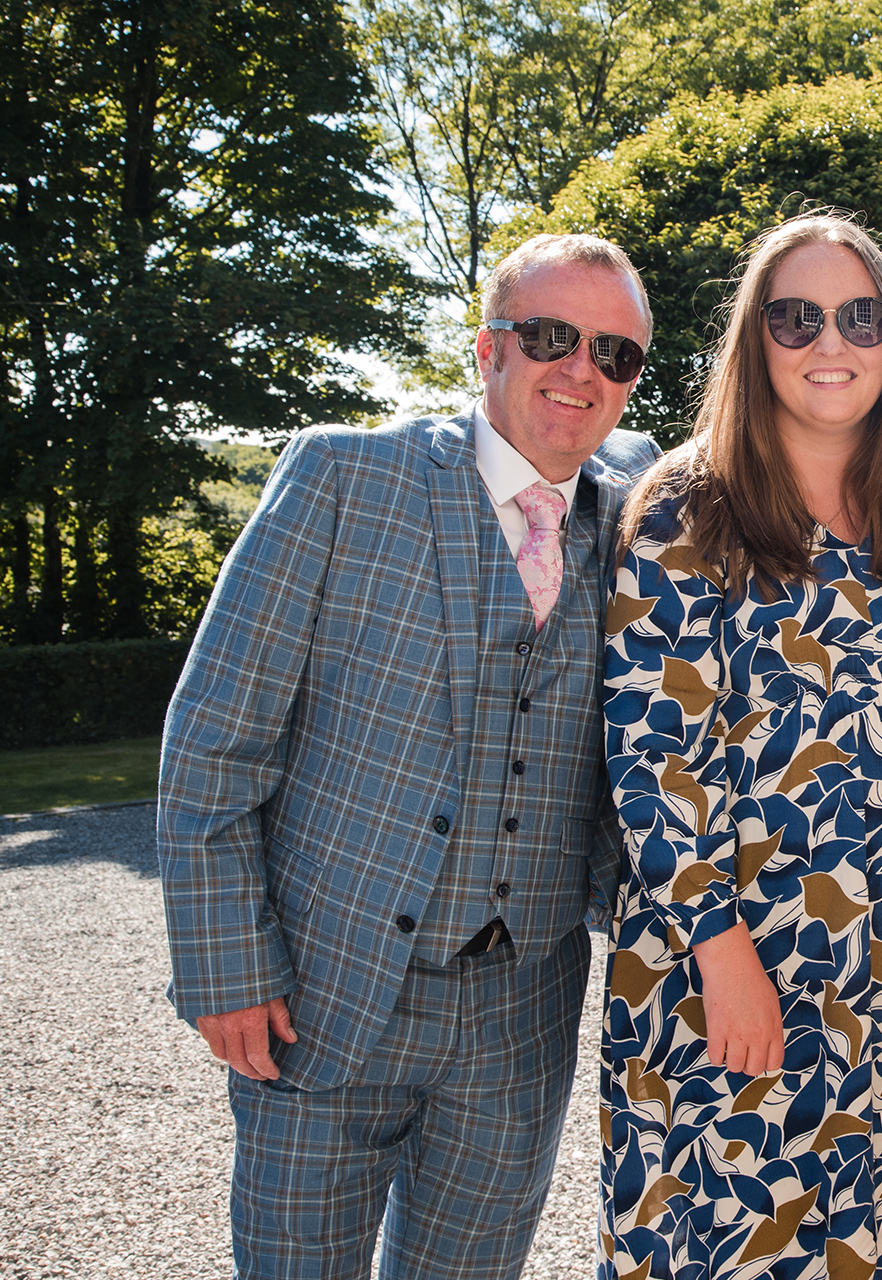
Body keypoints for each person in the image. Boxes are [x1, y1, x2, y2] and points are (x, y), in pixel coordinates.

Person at [158, 231, 663, 1278]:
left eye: (615, 353)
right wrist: (224, 967)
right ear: (489, 349)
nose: (582, 370)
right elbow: (214, 735)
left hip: (521, 1014)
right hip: (321, 989)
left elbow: (785, 448)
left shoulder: (636, 502)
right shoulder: (347, 476)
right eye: (552, 337)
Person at [600, 213, 882, 1280]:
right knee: (737, 1235)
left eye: (860, 316)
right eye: (797, 317)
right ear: (754, 338)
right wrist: (719, 948)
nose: (832, 342)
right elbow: (654, 753)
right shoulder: (686, 513)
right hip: (743, 956)